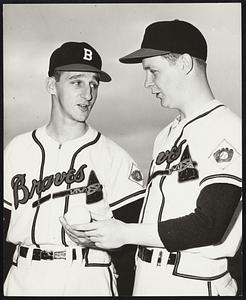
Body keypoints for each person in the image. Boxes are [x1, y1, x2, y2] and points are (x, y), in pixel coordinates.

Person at [62, 20, 242, 296]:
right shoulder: (165, 136)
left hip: (194, 281)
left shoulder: (226, 127)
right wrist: (102, 234)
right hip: (148, 278)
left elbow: (210, 224)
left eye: (152, 71)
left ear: (184, 63)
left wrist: (124, 232)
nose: (147, 83)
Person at [3, 41, 145, 296]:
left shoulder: (114, 157)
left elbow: (133, 243)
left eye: (94, 84)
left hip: (87, 275)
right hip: (24, 275)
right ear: (51, 85)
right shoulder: (17, 149)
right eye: (76, 81)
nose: (88, 94)